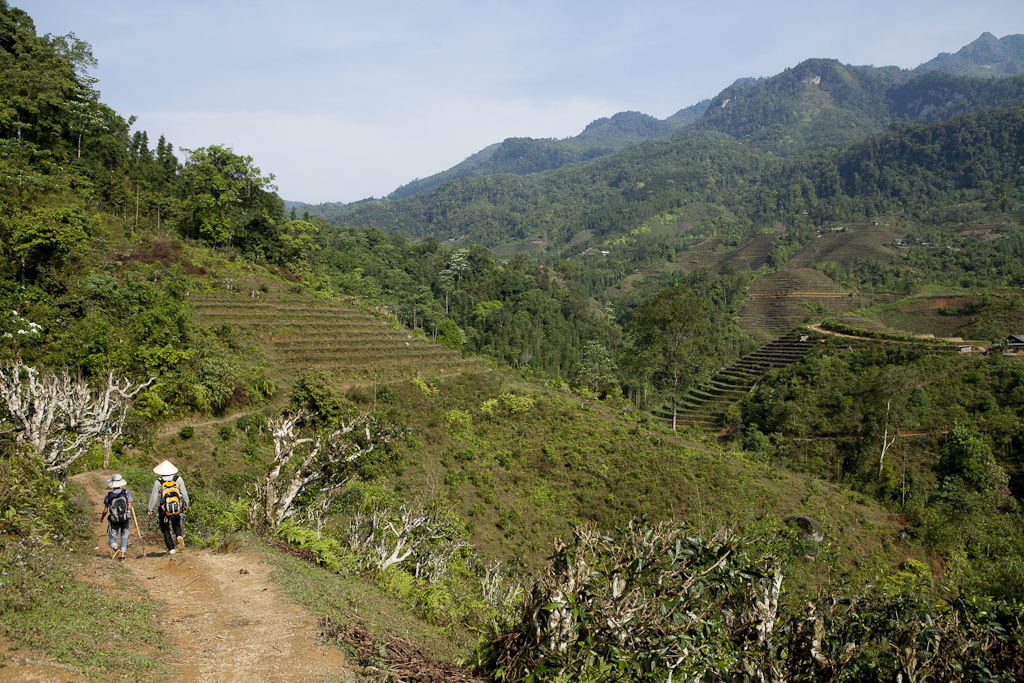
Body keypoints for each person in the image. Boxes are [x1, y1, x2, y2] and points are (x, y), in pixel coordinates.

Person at [147, 460, 190, 555]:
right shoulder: (178, 479)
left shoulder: (158, 482)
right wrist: (186, 504)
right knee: (176, 524)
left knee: (165, 527)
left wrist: (151, 510)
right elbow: (184, 493)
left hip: (164, 509)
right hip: (176, 507)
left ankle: (171, 549)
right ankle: (179, 536)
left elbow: (154, 498)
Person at [101, 473, 134, 561]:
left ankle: (116, 549)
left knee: (112, 538)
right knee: (124, 536)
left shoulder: (109, 495)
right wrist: (129, 506)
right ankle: (122, 556)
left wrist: (102, 518)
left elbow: (105, 510)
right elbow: (130, 506)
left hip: (114, 519)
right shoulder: (126, 492)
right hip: (125, 518)